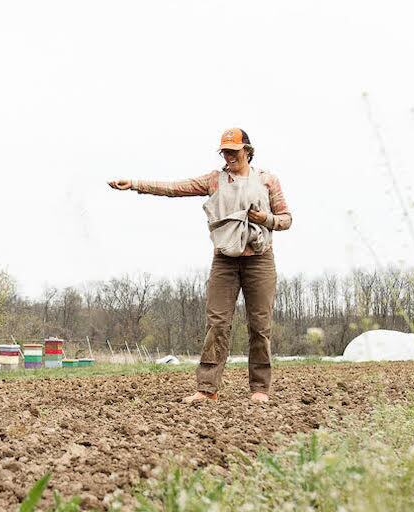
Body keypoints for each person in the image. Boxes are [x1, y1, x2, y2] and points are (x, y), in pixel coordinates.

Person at [108, 128, 292, 403]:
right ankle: (207, 389)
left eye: (234, 151)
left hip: (259, 259)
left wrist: (264, 218)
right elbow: (174, 188)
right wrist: (134, 183)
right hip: (225, 260)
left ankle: (260, 389)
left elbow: (286, 219)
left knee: (260, 325)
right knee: (217, 323)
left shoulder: (267, 180)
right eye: (225, 151)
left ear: (248, 151)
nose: (229, 156)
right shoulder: (214, 180)